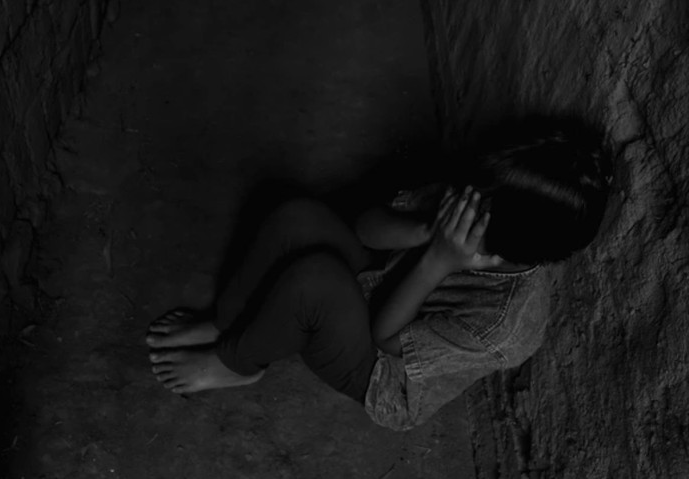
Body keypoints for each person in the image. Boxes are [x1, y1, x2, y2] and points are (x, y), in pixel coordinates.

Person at [145, 114, 613, 431]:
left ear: (504, 236)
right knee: (296, 217)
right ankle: (229, 320)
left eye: (474, 209)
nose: (462, 200)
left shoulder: (505, 326)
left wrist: (438, 260)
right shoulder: (473, 197)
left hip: (382, 374)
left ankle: (236, 363)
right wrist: (428, 230)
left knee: (315, 283)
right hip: (376, 284)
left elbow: (385, 338)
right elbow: (365, 228)